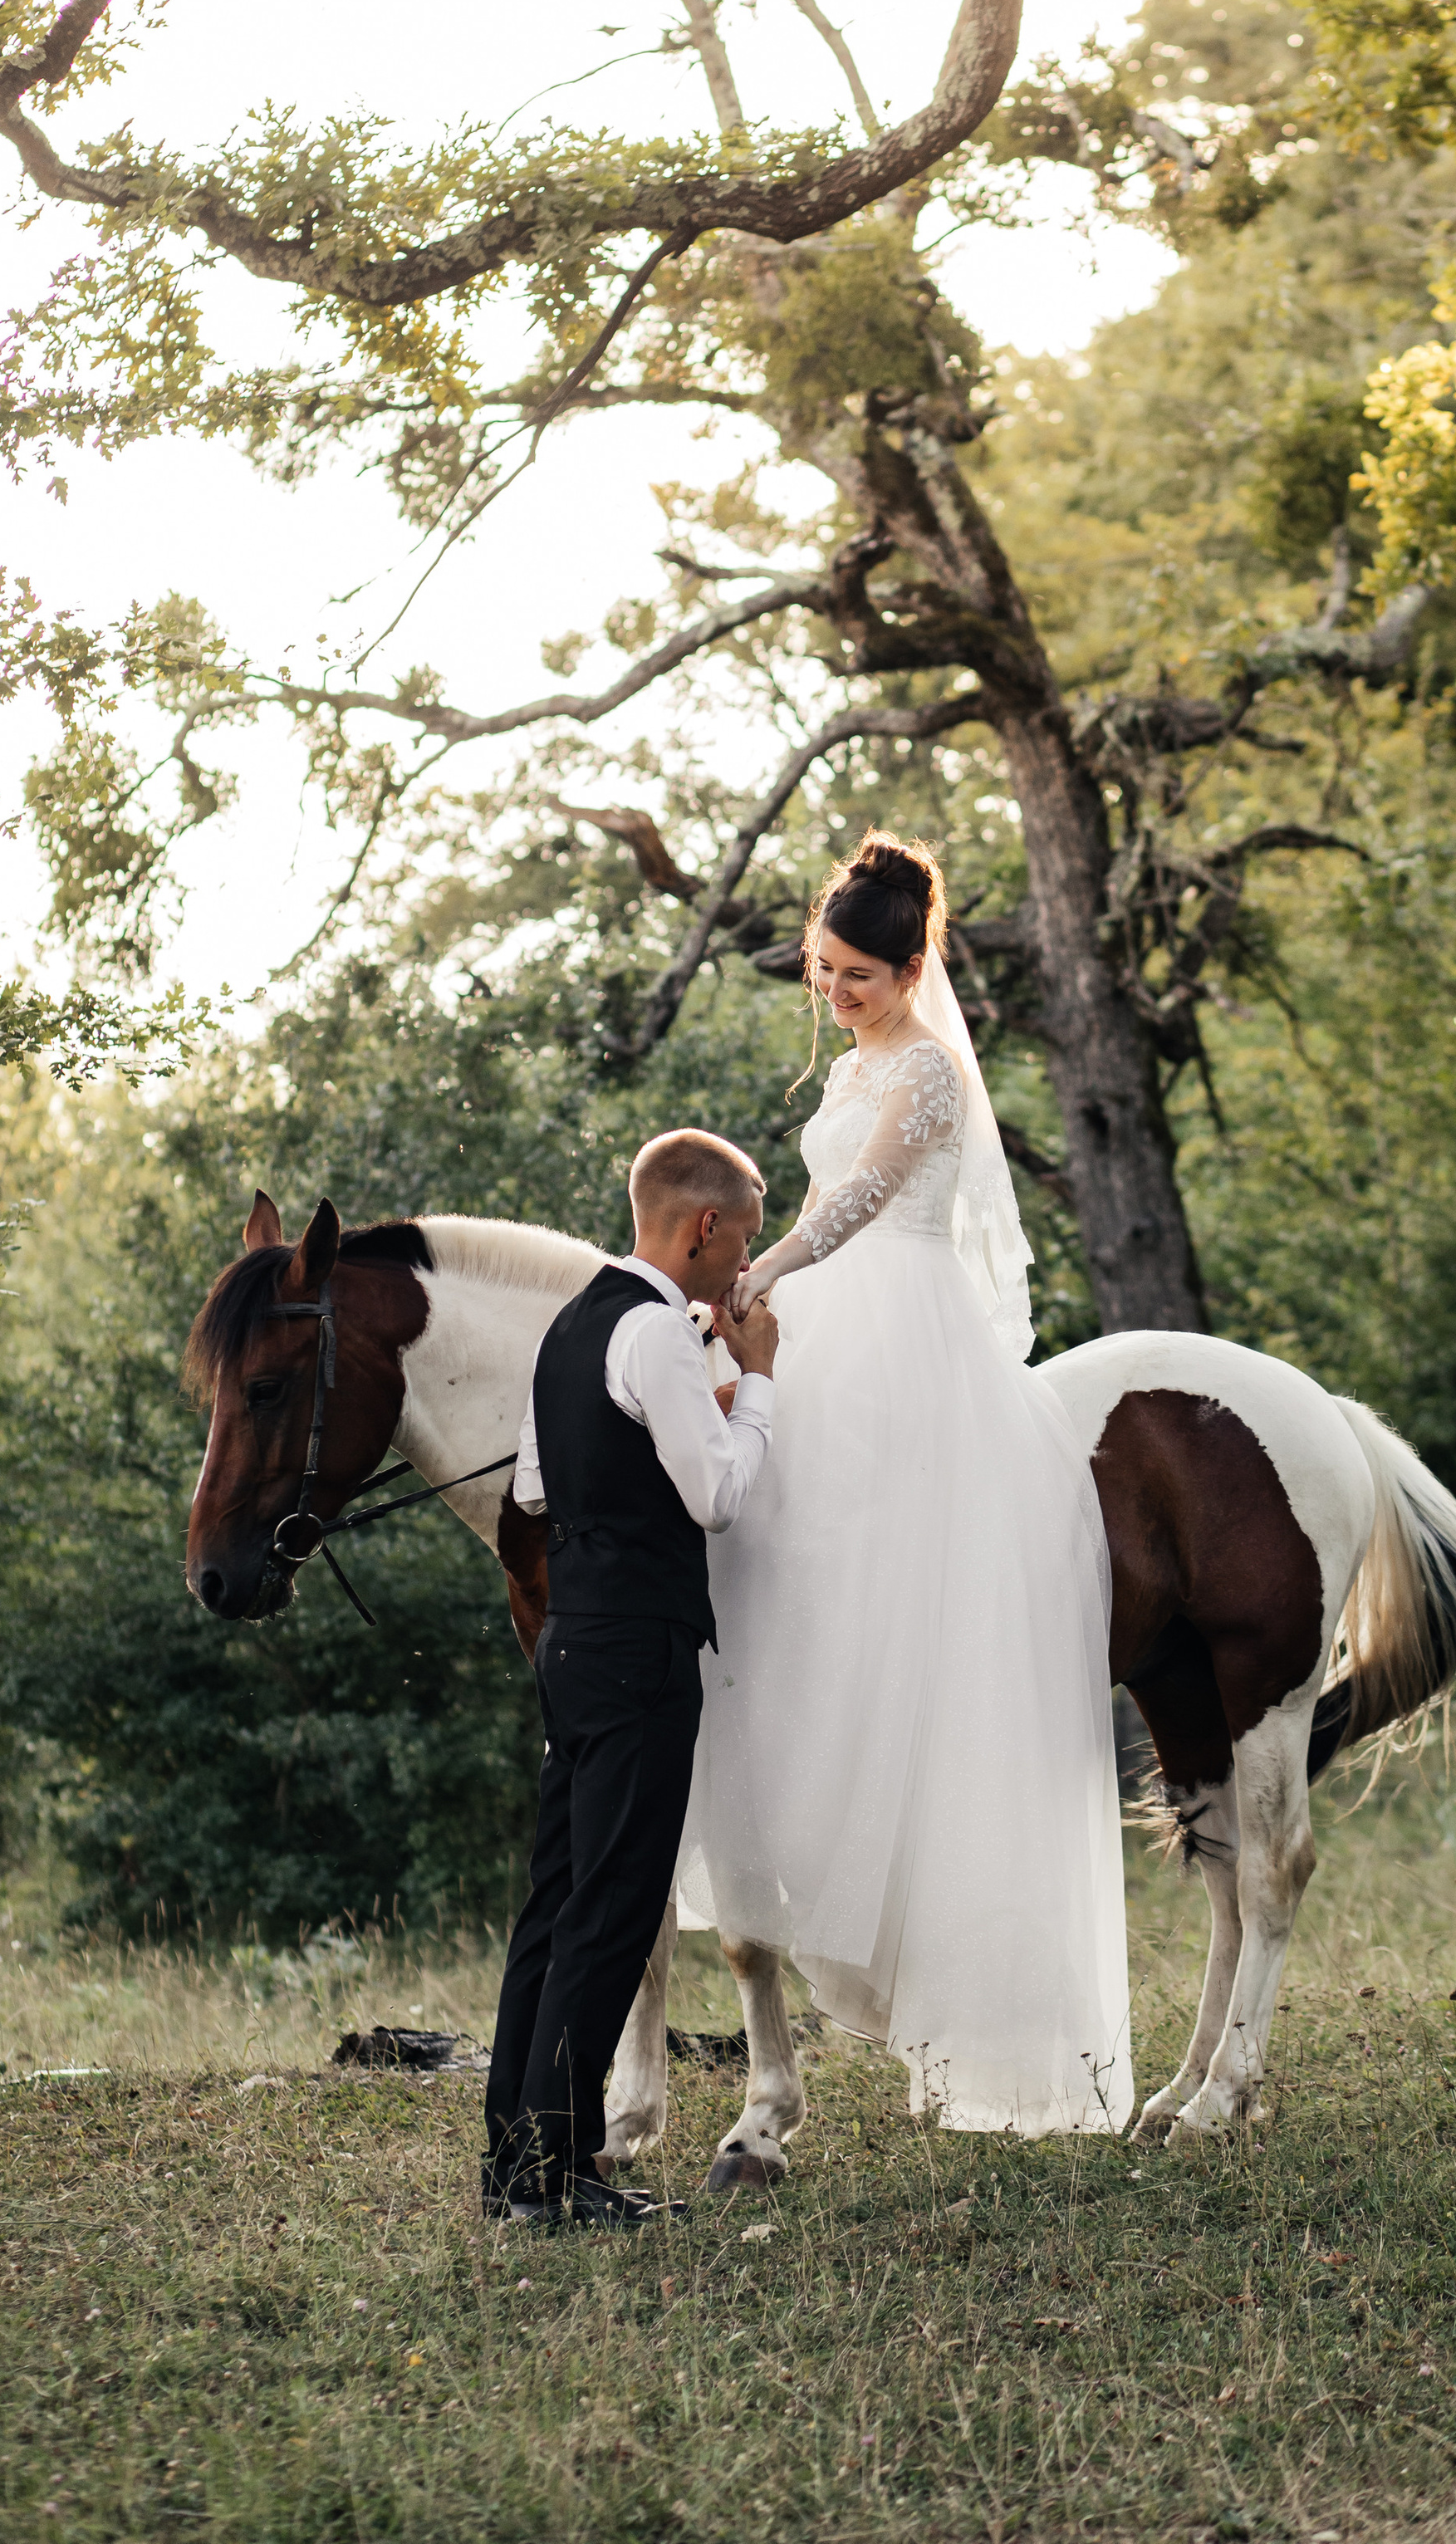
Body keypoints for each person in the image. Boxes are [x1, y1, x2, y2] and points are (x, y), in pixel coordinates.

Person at [676, 834, 1133, 2135]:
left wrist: (759, 1276)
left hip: (902, 1332)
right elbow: (813, 1198)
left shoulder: (927, 1069)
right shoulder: (854, 1060)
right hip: (827, 1317)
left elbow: (861, 1202)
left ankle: (959, 1963)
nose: (836, 993)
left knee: (894, 1609)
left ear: (912, 970)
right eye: (823, 970)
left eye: (859, 977)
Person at [484, 1129, 780, 2229]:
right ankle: (556, 2180)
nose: (744, 1263)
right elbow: (718, 1499)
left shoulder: (570, 1324)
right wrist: (756, 1383)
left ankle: (512, 2166)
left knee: (556, 1904)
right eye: (744, 1238)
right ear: (704, 1225)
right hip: (638, 1650)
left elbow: (534, 1489)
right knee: (610, 1911)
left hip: (570, 1639)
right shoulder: (655, 1332)